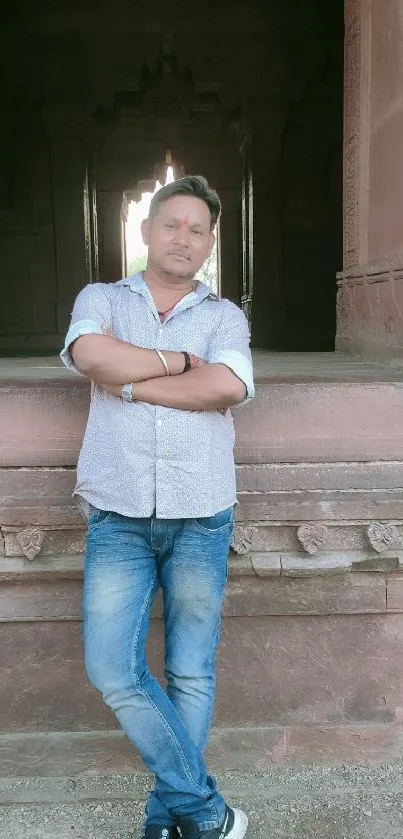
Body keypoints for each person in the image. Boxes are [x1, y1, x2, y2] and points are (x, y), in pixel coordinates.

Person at [60, 175, 255, 839]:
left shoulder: (224, 316)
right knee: (112, 666)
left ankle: (167, 818)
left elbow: (226, 384)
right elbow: (89, 354)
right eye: (171, 223)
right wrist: (175, 360)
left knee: (190, 671)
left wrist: (135, 387)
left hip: (201, 512)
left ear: (208, 243)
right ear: (145, 230)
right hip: (117, 513)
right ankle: (205, 810)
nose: (183, 238)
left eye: (197, 229)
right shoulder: (102, 299)